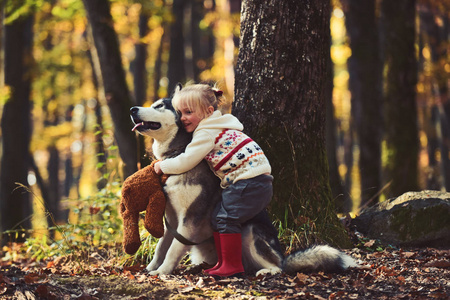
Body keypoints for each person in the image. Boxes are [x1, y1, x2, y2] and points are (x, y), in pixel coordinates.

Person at [154, 83, 273, 277]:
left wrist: (162, 166)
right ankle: (224, 262)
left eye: (188, 112)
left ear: (208, 111)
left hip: (249, 182)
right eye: (180, 113)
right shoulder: (221, 125)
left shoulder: (206, 133)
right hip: (253, 180)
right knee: (218, 216)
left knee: (226, 218)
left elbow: (186, 160)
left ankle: (234, 266)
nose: (182, 118)